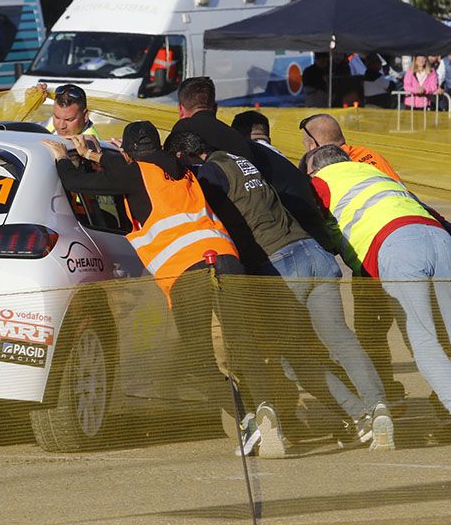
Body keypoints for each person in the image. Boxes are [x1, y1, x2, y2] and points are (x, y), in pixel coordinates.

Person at [43, 121, 289, 457]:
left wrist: (61, 157)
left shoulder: (134, 174)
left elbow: (79, 182)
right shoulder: (181, 169)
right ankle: (266, 410)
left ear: (129, 152)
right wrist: (102, 155)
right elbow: (140, 175)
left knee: (198, 357)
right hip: (227, 260)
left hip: (186, 271)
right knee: (243, 341)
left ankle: (244, 419)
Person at [166, 130, 394, 452]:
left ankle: (356, 415)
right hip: (314, 254)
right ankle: (378, 409)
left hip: (279, 263)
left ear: (184, 156)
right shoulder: (241, 161)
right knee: (340, 338)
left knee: (291, 357)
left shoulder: (211, 173)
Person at [305, 144, 451, 443]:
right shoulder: (375, 173)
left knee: (423, 341)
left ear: (314, 169)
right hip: (437, 236)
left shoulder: (318, 182)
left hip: (396, 245)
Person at [173, 77, 333, 250]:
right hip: (309, 233)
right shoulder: (237, 140)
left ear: (181, 109)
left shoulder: (184, 132)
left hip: (280, 240)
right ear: (215, 108)